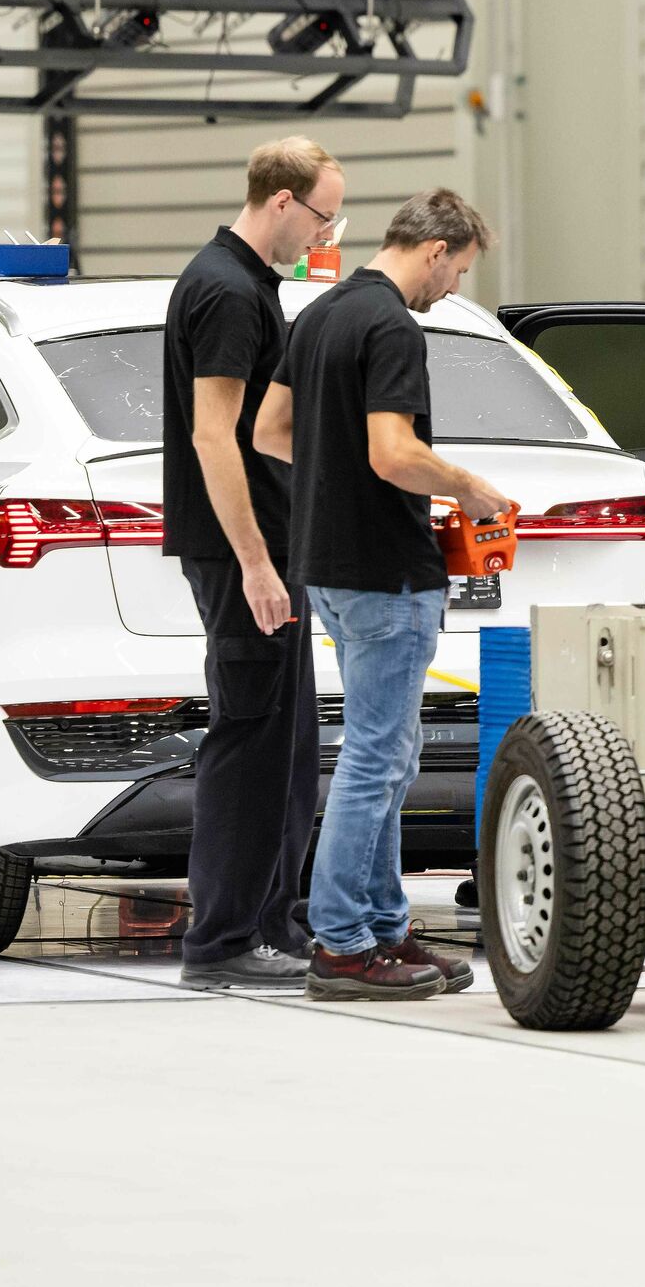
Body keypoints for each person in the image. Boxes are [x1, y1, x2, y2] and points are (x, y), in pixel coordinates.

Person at [255, 189, 506, 1002]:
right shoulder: (392, 323)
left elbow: (269, 429)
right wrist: (466, 485)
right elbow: (395, 452)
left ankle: (385, 924)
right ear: (435, 250)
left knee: (391, 755)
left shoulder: (322, 311)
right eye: (458, 271)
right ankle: (340, 942)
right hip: (384, 571)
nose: (454, 289)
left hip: (327, 563)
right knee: (374, 758)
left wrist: (334, 481)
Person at [162, 137, 345, 989]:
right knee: (251, 739)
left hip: (266, 548)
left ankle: (270, 919)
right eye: (320, 215)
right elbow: (213, 434)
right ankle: (223, 937)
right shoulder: (229, 293)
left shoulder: (246, 284)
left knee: (289, 745)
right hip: (245, 553)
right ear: (281, 200)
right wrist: (256, 563)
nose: (323, 233)